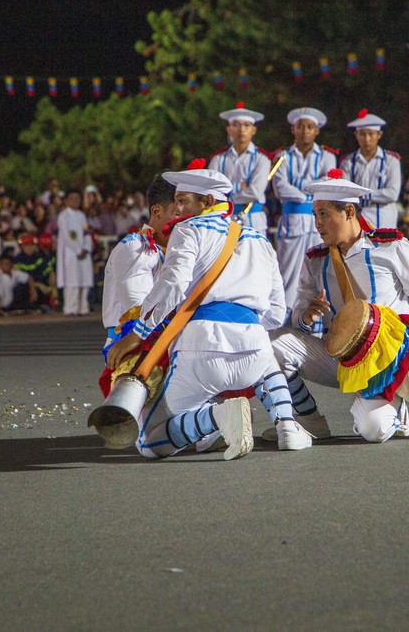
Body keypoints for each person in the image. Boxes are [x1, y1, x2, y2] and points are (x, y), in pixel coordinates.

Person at [268, 171, 409, 445]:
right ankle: (308, 420)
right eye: (315, 215)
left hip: (388, 360)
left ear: (349, 211)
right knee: (273, 344)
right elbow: (298, 317)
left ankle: (397, 409)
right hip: (342, 359)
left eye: (324, 214)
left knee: (373, 430)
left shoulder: (389, 246)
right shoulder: (315, 260)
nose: (317, 224)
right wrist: (305, 317)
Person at [105, 165, 310, 459]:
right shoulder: (259, 239)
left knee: (148, 441)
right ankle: (287, 426)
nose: (177, 207)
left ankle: (218, 418)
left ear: (208, 202)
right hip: (252, 349)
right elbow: (277, 312)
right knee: (265, 356)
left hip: (202, 353)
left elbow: (173, 284)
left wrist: (139, 331)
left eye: (184, 200)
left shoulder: (188, 230)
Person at [100, 174, 181, 393]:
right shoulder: (135, 249)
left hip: (166, 345)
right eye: (177, 215)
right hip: (135, 351)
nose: (185, 223)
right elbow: (138, 313)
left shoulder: (178, 251)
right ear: (156, 212)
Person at [272, 106, 338, 320]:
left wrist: (298, 189)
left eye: (310, 127)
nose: (305, 131)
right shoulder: (282, 156)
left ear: (317, 131)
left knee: (319, 268)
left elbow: (327, 183)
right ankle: (286, 314)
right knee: (288, 270)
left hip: (318, 220)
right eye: (301, 127)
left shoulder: (327, 156)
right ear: (293, 129)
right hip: (291, 221)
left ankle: (317, 315)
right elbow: (280, 187)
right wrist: (308, 191)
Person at [208, 101, 272, 236]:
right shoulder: (218, 159)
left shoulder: (262, 159)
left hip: (253, 220)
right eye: (236, 125)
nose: (241, 129)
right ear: (229, 129)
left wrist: (228, 192)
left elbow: (255, 191)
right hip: (223, 220)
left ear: (253, 130)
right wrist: (240, 187)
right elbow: (212, 190)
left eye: (246, 125)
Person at [338, 109, 402, 229]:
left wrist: (363, 194)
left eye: (371, 134)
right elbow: (344, 190)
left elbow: (393, 193)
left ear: (379, 135)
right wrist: (376, 195)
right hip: (355, 222)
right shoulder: (347, 162)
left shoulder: (391, 160)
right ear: (356, 135)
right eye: (362, 134)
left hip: (384, 222)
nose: (366, 139)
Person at [56, 189, 94, 316]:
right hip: (70, 252)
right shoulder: (63, 216)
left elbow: (86, 232)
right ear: (66, 201)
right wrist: (78, 250)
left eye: (77, 199)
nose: (75, 201)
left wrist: (87, 247)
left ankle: (83, 307)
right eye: (72, 198)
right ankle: (70, 308)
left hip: (83, 251)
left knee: (84, 279)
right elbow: (67, 236)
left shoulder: (81, 215)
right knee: (72, 280)